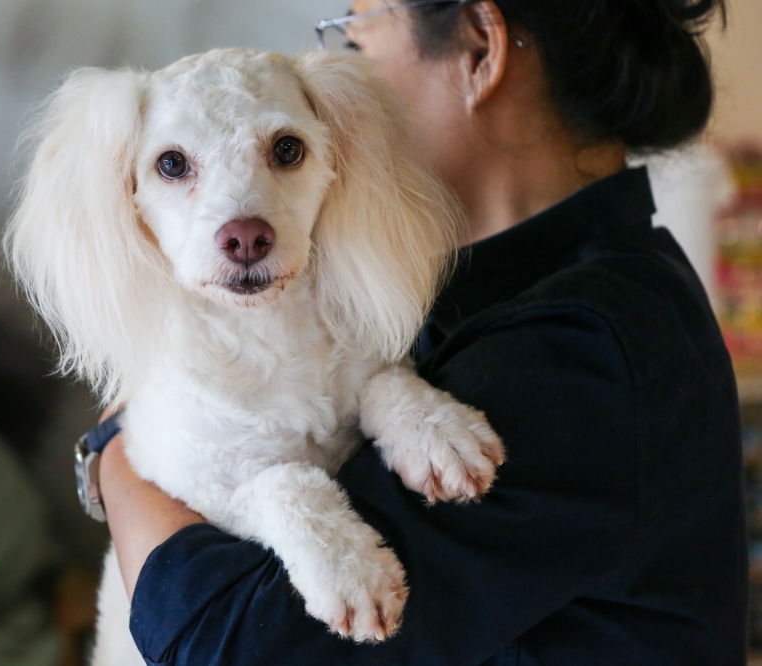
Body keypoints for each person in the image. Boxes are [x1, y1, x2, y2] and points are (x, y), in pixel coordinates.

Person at [97, 0, 748, 663]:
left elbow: (235, 650)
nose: (339, 85)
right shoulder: (498, 294)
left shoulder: (580, 353)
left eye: (358, 39)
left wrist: (115, 460)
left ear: (478, 49)